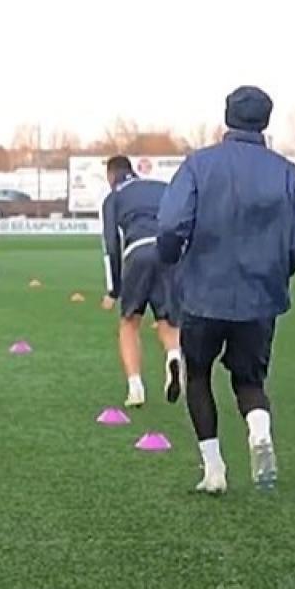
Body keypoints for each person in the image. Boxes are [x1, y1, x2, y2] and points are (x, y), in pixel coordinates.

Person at [158, 86, 295, 494]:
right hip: (260, 296)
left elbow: (172, 226)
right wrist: (277, 273)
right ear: (265, 121)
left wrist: (173, 259)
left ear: (227, 117)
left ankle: (214, 470)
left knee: (198, 375)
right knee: (250, 382)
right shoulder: (285, 172)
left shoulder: (198, 165)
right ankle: (259, 432)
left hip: (204, 293)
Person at [101, 156, 183, 408]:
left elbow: (111, 243)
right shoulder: (161, 188)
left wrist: (113, 289)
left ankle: (135, 387)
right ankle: (173, 356)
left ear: (111, 175)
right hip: (167, 252)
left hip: (137, 252)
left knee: (129, 322)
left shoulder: (114, 197)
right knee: (167, 320)